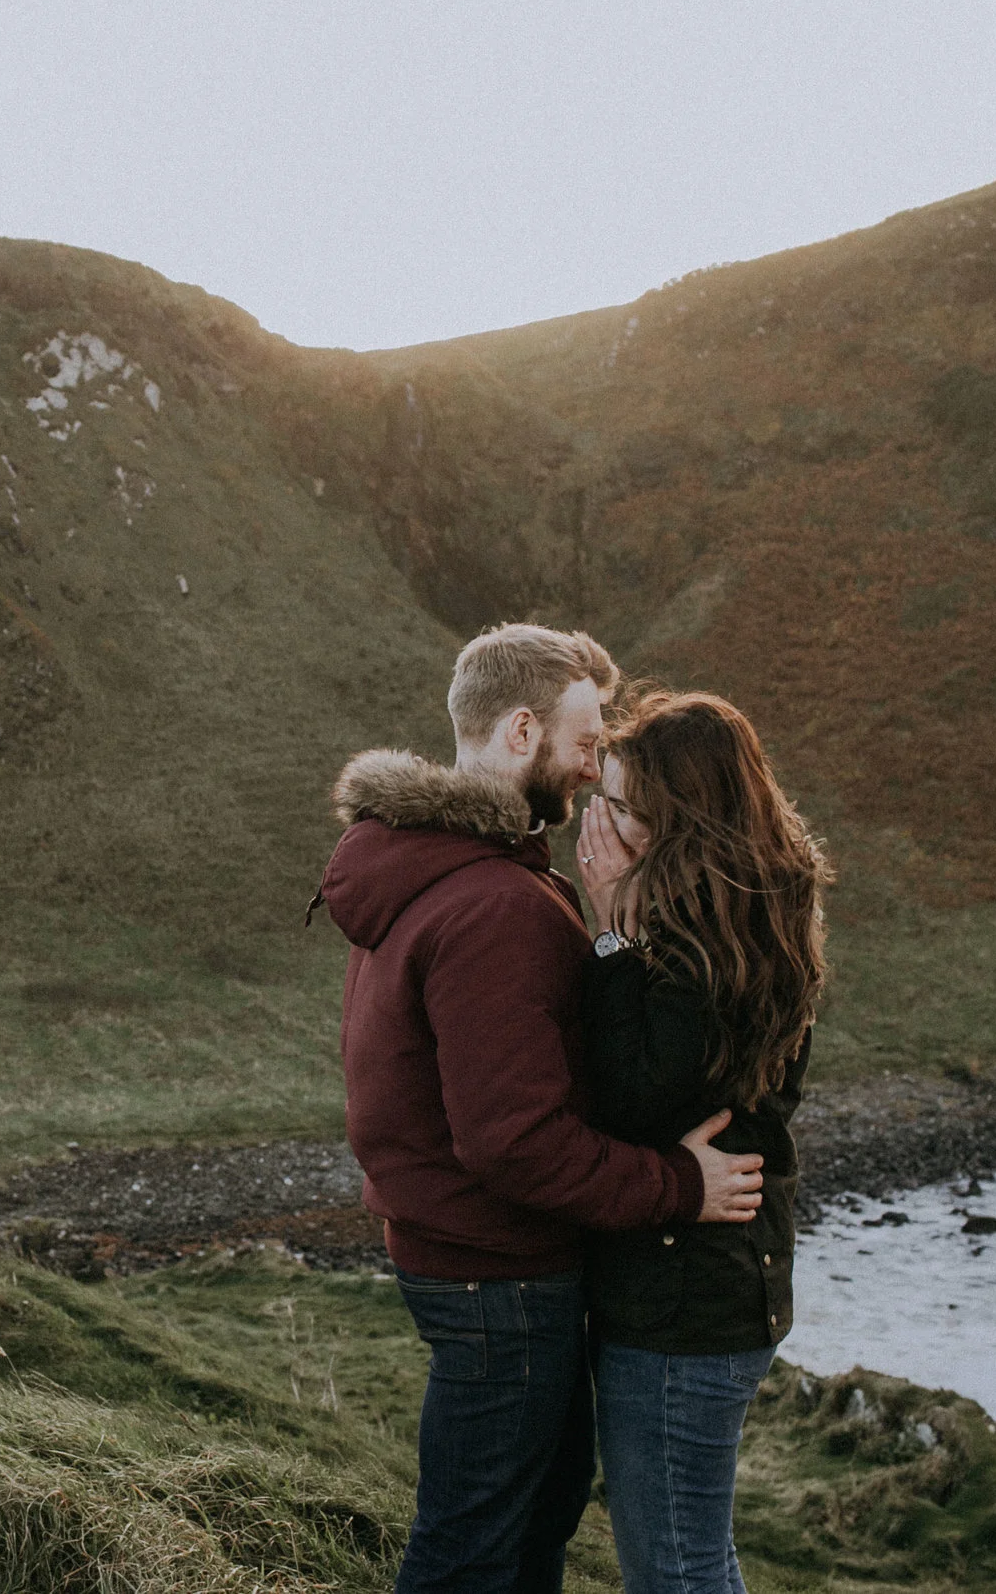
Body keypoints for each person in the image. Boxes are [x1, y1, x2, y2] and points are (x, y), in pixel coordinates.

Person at [317, 623, 766, 1594]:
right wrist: (677, 1184)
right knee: (476, 1548)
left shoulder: (417, 860)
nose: (597, 763)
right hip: (501, 1277)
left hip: (459, 1255)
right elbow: (514, 1138)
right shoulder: (495, 903)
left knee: (515, 1531)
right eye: (586, 737)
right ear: (521, 729)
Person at [573, 691, 832, 1594]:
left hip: (684, 1307)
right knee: (696, 1553)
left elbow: (626, 1099)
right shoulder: (750, 920)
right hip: (725, 1289)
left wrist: (608, 928)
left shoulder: (691, 949)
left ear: (682, 824)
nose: (589, 821)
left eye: (616, 807)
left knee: (672, 1568)